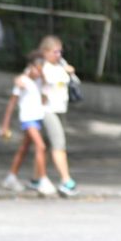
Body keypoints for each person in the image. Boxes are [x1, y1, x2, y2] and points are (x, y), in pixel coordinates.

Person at [0, 52, 56, 196]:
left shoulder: (39, 82)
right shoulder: (22, 82)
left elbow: (45, 97)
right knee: (41, 146)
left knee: (23, 149)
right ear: (30, 67)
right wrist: (5, 126)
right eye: (37, 68)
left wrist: (42, 78)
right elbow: (11, 104)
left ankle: (11, 177)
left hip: (37, 118)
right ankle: (43, 180)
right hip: (27, 119)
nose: (39, 71)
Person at [37, 35, 79, 197]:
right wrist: (63, 70)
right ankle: (66, 180)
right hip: (48, 110)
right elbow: (47, 79)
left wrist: (67, 71)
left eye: (60, 52)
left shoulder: (60, 65)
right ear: (46, 52)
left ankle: (37, 178)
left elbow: (73, 81)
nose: (58, 55)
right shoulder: (43, 66)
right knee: (59, 144)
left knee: (44, 146)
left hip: (60, 109)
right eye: (55, 52)